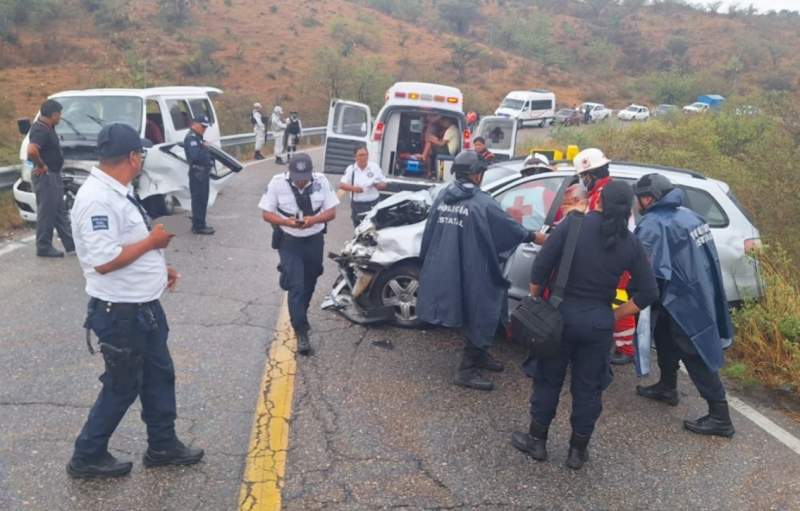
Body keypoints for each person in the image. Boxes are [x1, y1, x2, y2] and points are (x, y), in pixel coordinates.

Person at [67, 123, 203, 479]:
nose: (142, 159)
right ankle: (87, 455)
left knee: (159, 376)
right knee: (122, 385)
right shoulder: (98, 198)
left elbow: (129, 240)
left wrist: (161, 268)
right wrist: (152, 245)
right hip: (120, 313)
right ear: (131, 157)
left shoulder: (119, 191)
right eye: (141, 154)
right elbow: (105, 260)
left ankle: (162, 445)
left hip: (142, 307)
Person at [512, 181, 658, 470]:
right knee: (589, 388)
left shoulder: (573, 224)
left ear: (598, 200)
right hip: (598, 324)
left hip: (559, 318)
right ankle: (577, 452)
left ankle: (537, 441)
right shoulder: (630, 242)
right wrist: (614, 316)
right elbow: (649, 293)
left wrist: (535, 296)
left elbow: (541, 265)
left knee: (548, 379)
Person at [417, 151, 536, 391]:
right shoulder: (483, 202)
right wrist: (535, 236)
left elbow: (429, 232)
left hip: (448, 266)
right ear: (476, 174)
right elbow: (509, 229)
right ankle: (467, 370)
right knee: (483, 312)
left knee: (481, 310)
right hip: (476, 268)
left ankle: (480, 355)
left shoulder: (443, 196)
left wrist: (427, 262)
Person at [633, 173, 735, 438]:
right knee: (664, 338)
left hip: (679, 299)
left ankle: (720, 415)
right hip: (694, 293)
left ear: (649, 197)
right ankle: (667, 387)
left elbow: (645, 269)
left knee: (694, 352)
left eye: (639, 198)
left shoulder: (654, 224)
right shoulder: (691, 216)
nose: (637, 203)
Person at [260, 153, 339, 355]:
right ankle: (301, 330)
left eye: (304, 176)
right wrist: (286, 222)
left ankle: (299, 313)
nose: (301, 181)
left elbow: (332, 212)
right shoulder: (277, 183)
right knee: (296, 284)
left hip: (314, 239)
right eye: (297, 177)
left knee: (310, 280)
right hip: (289, 240)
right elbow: (266, 213)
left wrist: (314, 220)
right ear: (290, 171)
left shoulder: (321, 181)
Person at [574, 148, 637, 365]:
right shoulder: (609, 190)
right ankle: (621, 344)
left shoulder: (605, 194)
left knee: (618, 302)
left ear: (591, 174)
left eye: (583, 176)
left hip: (613, 256)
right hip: (617, 254)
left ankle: (626, 349)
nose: (582, 181)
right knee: (615, 300)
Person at [27, 99, 75, 258]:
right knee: (47, 212)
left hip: (53, 175)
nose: (60, 117)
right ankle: (43, 246)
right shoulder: (41, 130)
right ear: (53, 114)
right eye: (59, 114)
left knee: (59, 211)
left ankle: (71, 244)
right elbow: (32, 151)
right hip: (46, 177)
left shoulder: (48, 127)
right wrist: (41, 165)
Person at [339, 145, 387, 227]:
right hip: (357, 206)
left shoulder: (374, 167)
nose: (364, 157)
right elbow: (342, 185)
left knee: (374, 229)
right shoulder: (351, 169)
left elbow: (384, 184)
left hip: (373, 204)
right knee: (359, 230)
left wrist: (377, 185)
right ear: (355, 157)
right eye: (361, 155)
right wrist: (354, 189)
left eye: (366, 154)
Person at [183, 114, 215, 235]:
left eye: (205, 127)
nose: (204, 129)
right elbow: (196, 156)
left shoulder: (198, 137)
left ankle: (201, 222)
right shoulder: (191, 138)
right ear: (195, 124)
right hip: (197, 173)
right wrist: (205, 149)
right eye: (202, 126)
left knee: (203, 199)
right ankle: (198, 226)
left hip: (202, 173)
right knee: (199, 199)